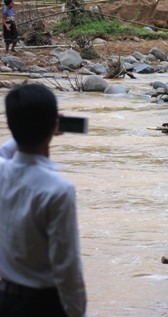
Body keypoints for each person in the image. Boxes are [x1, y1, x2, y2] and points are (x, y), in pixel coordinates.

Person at [0, 84, 87, 317]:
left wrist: (33, 127)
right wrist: (78, 313)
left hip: (5, 298)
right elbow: (66, 266)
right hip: (44, 304)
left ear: (10, 125)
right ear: (53, 126)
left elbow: (5, 151)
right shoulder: (58, 190)